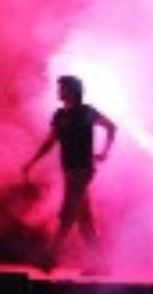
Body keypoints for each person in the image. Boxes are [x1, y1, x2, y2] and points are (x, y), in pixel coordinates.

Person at [22, 74, 116, 271]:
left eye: (62, 88)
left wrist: (104, 152)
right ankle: (103, 264)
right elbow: (50, 142)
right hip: (70, 169)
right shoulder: (59, 115)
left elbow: (111, 127)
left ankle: (50, 257)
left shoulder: (87, 112)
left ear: (72, 91)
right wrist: (32, 162)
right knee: (85, 221)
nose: (59, 91)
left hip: (82, 169)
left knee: (67, 214)